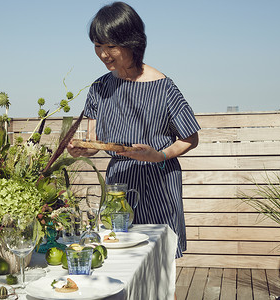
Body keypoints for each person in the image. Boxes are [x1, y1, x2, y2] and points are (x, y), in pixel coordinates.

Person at [67, 2, 200, 296]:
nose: (102, 54)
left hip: (158, 182)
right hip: (118, 188)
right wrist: (81, 149)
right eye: (97, 45)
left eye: (110, 46)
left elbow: (190, 138)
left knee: (158, 264)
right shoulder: (99, 88)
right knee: (116, 259)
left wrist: (160, 155)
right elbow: (94, 141)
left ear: (132, 42)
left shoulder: (164, 87)